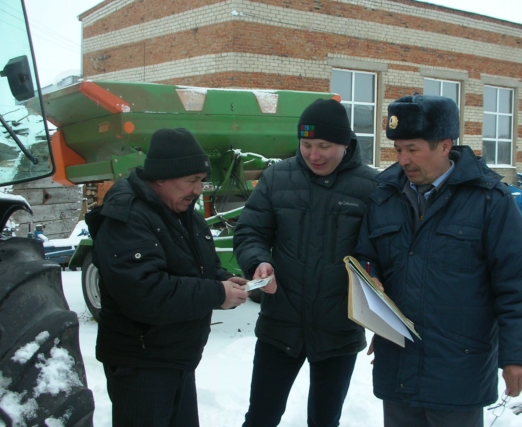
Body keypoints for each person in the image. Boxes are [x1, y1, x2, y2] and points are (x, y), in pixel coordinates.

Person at [353, 95, 522, 427]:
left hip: (458, 370)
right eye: (398, 150)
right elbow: (367, 256)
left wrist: (516, 356)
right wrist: (370, 282)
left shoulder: (489, 200)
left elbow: (516, 283)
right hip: (397, 364)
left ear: (444, 145)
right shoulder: (384, 196)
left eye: (413, 149)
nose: (403, 160)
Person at [85, 128, 250, 427]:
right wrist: (216, 293)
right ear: (160, 178)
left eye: (201, 181)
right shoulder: (127, 218)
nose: (198, 190)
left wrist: (227, 281)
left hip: (175, 357)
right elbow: (145, 293)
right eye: (191, 181)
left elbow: (202, 266)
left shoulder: (181, 211)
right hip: (141, 365)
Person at [233, 98, 379, 427]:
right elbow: (250, 232)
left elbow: (383, 253)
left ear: (345, 143)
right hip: (280, 324)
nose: (314, 155)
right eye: (306, 144)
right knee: (260, 417)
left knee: (325, 421)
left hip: (338, 331)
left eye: (324, 145)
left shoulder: (372, 187)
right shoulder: (277, 178)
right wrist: (258, 262)